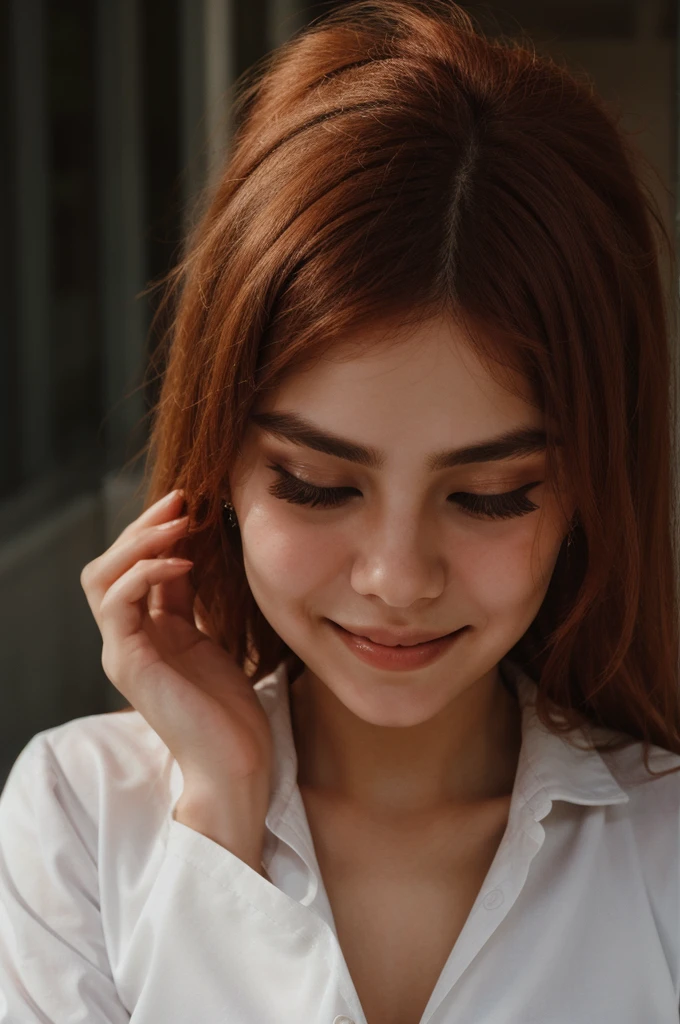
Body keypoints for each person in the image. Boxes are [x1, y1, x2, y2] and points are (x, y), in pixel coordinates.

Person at [1, 1, 679, 1021]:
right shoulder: (81, 819)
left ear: (586, 483)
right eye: (316, 483)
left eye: (489, 495)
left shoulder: (661, 845)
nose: (396, 577)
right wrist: (219, 815)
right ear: (217, 458)